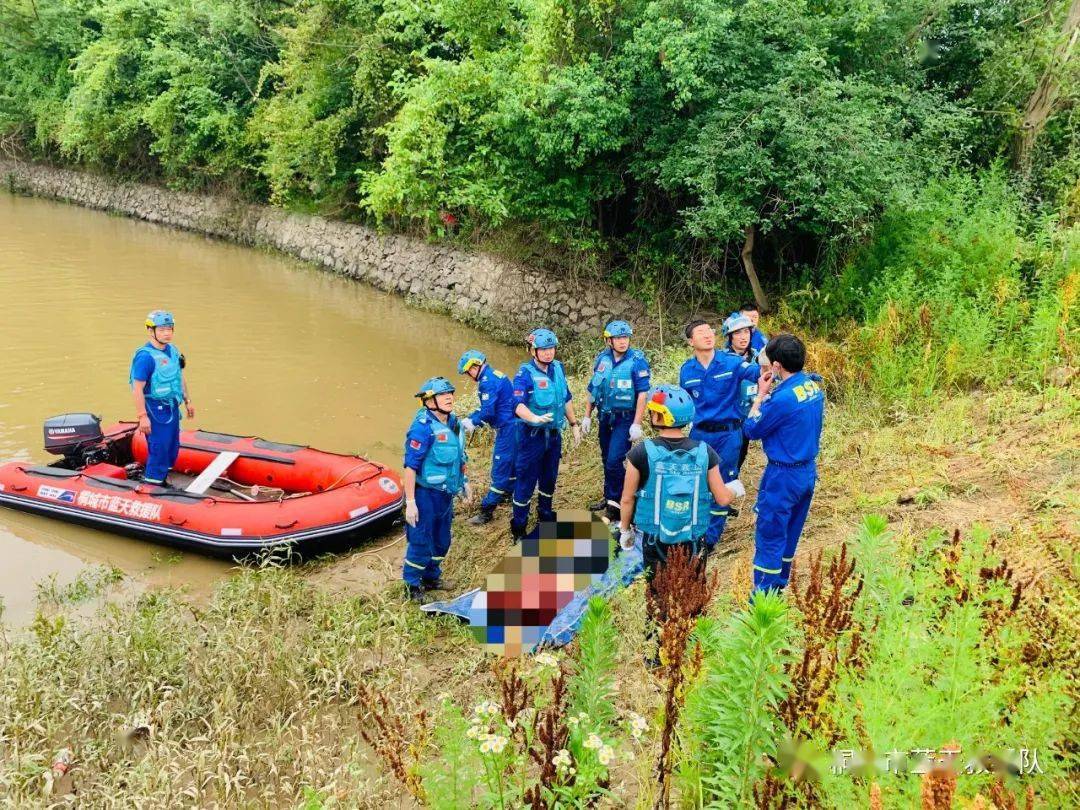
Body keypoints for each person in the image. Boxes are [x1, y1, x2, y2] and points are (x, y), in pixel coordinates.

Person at [616, 384, 745, 666]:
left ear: (660, 417)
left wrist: (625, 531)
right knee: (693, 590)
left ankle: (657, 654)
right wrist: (735, 488)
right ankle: (693, 648)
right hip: (694, 537)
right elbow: (722, 498)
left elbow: (627, 499)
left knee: (657, 592)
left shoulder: (640, 453)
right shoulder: (705, 452)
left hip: (655, 537)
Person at [743, 334, 825, 593]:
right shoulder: (812, 386)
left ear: (777, 366)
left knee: (770, 535)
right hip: (806, 471)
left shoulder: (783, 399)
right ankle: (780, 586)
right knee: (791, 533)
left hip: (783, 476)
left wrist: (759, 397)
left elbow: (751, 429)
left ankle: (764, 598)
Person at [678, 320, 760, 546]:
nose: (708, 335)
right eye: (701, 332)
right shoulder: (687, 370)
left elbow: (757, 372)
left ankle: (709, 541)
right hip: (699, 436)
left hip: (728, 435)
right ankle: (692, 531)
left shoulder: (732, 362)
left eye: (710, 331)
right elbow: (683, 404)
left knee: (722, 486)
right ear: (690, 341)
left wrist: (770, 357)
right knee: (697, 484)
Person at [402, 377, 472, 602]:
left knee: (442, 541)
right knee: (421, 541)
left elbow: (459, 457)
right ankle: (412, 586)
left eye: (450, 393)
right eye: (442, 395)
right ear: (429, 401)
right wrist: (410, 502)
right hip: (425, 495)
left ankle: (431, 577)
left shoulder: (454, 423)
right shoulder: (422, 428)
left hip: (445, 494)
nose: (449, 397)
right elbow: (410, 467)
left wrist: (465, 482)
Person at [510, 328, 582, 541]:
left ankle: (545, 513)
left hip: (553, 436)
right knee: (526, 481)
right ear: (533, 351)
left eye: (551, 348)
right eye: (543, 349)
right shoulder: (525, 373)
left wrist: (574, 423)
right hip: (531, 436)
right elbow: (517, 404)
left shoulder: (558, 369)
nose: (549, 353)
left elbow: (566, 397)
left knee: (549, 477)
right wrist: (532, 418)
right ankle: (519, 527)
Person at [582, 320, 651, 522]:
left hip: (625, 418)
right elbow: (593, 389)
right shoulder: (602, 360)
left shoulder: (637, 361)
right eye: (618, 338)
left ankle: (619, 504)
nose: (622, 342)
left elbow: (642, 394)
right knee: (606, 459)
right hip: (605, 417)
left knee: (614, 461)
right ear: (609, 341)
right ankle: (610, 496)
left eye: (625, 337)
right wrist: (587, 415)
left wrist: (637, 423)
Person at [129, 310, 194, 485]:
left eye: (170, 329)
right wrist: (142, 417)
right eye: (162, 329)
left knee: (172, 447)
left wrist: (187, 400)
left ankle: (161, 479)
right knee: (159, 448)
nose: (167, 333)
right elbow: (137, 389)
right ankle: (152, 485)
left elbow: (179, 377)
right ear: (151, 331)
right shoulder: (145, 357)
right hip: (154, 408)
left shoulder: (173, 350)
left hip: (171, 406)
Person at [457, 349, 519, 525]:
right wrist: (471, 417)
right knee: (512, 465)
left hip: (507, 429)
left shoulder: (486, 382)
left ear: (474, 366)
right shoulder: (495, 374)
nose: (469, 376)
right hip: (515, 426)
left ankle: (486, 510)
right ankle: (509, 492)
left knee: (499, 469)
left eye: (468, 372)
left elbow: (488, 412)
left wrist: (472, 423)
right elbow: (489, 406)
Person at [722, 312, 759, 478]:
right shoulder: (722, 359)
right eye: (737, 333)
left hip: (748, 414)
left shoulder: (758, 357)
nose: (743, 337)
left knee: (741, 451)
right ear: (730, 337)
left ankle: (732, 481)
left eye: (746, 332)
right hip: (728, 417)